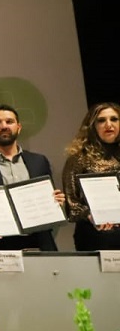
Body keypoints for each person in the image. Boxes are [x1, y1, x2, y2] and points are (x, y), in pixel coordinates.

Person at [0, 105, 64, 251]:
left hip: (38, 242)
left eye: (9, 121)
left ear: (19, 127)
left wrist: (55, 201)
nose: (4, 126)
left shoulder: (39, 161)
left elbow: (48, 198)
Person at [62, 101, 120, 250]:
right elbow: (72, 201)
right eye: (101, 120)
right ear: (92, 126)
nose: (108, 124)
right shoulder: (79, 158)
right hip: (96, 233)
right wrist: (90, 216)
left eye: (114, 119)